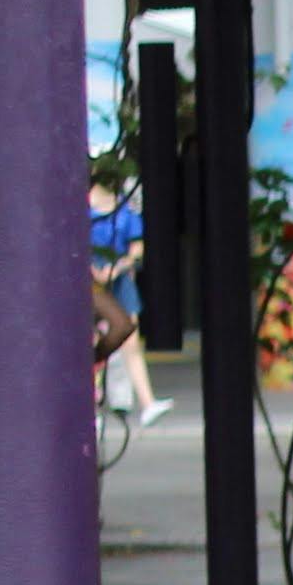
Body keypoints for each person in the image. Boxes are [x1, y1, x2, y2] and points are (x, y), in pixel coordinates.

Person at [89, 174, 166, 429]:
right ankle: (92, 407)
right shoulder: (80, 205)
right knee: (87, 339)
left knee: (128, 337)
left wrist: (121, 266)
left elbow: (137, 246)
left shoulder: (124, 205)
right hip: (91, 276)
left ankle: (147, 402)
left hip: (119, 275)